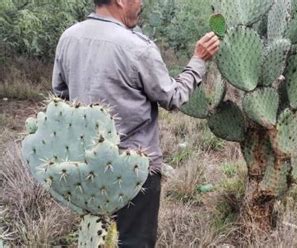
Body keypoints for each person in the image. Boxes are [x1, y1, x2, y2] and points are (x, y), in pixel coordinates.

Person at [52, 0, 220, 247]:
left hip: (85, 166)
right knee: (134, 242)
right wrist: (198, 61)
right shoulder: (137, 48)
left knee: (96, 237)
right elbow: (173, 98)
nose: (142, 3)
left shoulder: (69, 38)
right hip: (134, 169)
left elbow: (60, 97)